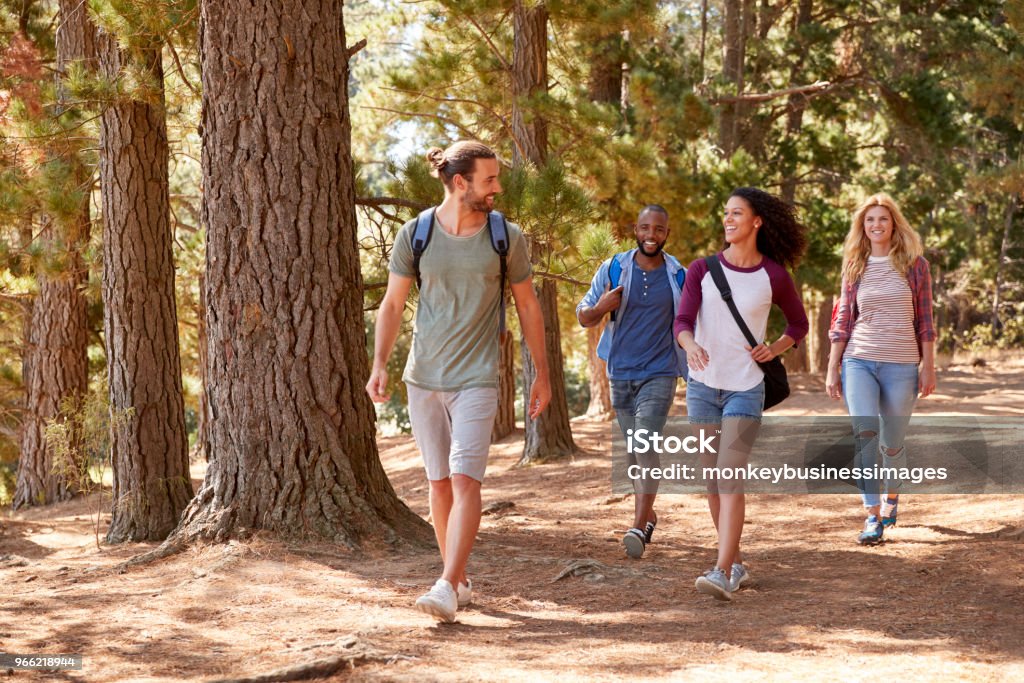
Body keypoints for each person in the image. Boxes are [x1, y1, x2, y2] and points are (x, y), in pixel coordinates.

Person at [366, 140, 552, 623]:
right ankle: (459, 577)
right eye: (489, 179)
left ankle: (446, 583)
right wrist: (380, 363)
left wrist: (542, 373)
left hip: (477, 376)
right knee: (440, 483)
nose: (498, 187)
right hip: (424, 377)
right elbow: (391, 304)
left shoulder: (505, 236)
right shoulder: (417, 233)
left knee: (467, 477)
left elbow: (529, 306)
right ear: (459, 182)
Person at [674, 187, 808, 601]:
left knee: (730, 477)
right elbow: (682, 320)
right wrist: (690, 345)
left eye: (737, 213)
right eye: (725, 213)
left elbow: (798, 325)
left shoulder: (774, 275)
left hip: (746, 388)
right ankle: (733, 562)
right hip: (702, 387)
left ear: (756, 222)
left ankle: (721, 570)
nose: (728, 220)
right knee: (714, 482)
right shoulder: (702, 269)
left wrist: (776, 347)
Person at [576, 205, 689, 559]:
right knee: (634, 453)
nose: (651, 235)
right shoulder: (613, 268)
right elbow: (584, 314)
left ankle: (638, 527)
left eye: (658, 229)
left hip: (660, 371)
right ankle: (649, 513)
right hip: (620, 372)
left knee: (646, 445)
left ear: (666, 233)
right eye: (644, 228)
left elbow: (691, 321)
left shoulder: (678, 274)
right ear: (635, 230)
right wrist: (602, 306)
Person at [825, 193, 936, 545]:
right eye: (869, 220)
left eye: (882, 219)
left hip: (902, 363)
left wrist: (929, 366)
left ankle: (892, 497)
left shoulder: (915, 266)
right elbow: (843, 318)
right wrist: (832, 366)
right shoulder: (854, 266)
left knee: (892, 443)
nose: (876, 225)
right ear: (863, 226)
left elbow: (926, 321)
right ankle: (871, 515)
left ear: (893, 224)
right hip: (858, 360)